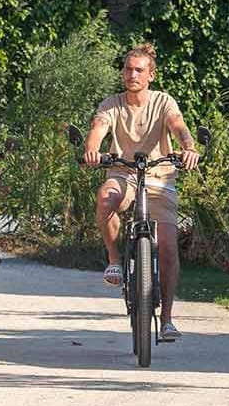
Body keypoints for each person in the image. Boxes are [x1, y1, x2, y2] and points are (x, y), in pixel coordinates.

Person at [83, 43, 201, 342]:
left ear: (151, 75)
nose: (132, 75)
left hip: (159, 176)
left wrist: (189, 147)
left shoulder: (163, 102)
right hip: (123, 173)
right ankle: (115, 260)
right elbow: (98, 129)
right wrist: (93, 150)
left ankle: (168, 319)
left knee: (169, 247)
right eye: (128, 69)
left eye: (139, 70)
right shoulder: (111, 104)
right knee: (105, 197)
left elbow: (178, 126)